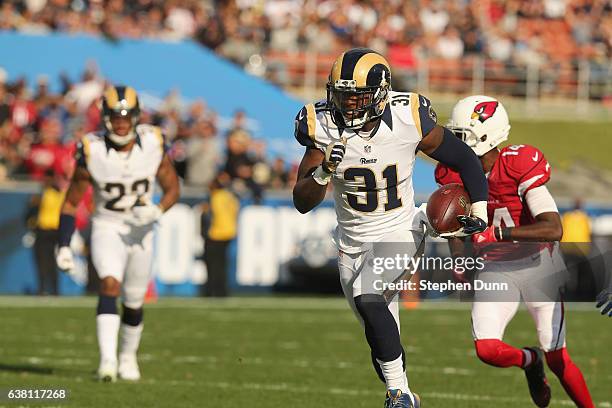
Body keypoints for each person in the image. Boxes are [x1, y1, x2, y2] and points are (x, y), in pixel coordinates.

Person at [292, 48, 489, 408]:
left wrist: (480, 206)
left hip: (401, 230)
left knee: (370, 299)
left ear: (381, 94)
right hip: (351, 243)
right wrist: (322, 173)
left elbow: (463, 157)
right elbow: (302, 202)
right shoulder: (319, 125)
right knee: (380, 339)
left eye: (359, 98)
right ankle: (405, 392)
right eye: (343, 97)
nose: (349, 107)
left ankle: (398, 395)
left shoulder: (407, 116)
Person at [435, 95, 593, 407]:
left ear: (486, 134)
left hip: (540, 265)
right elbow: (456, 226)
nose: (456, 144)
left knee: (557, 358)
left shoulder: (517, 164)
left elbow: (553, 228)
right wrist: (459, 263)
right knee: (487, 349)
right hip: (497, 268)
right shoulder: (453, 174)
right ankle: (528, 361)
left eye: (462, 135)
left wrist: (496, 233)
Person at [55, 85, 179, 382]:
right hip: (107, 225)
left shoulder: (154, 143)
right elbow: (71, 202)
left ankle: (127, 357)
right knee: (109, 284)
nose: (121, 122)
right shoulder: (92, 148)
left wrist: (158, 210)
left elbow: (173, 188)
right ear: (105, 117)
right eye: (115, 116)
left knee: (134, 300)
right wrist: (63, 245)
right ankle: (107, 361)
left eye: (126, 116)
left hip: (141, 230)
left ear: (136, 117)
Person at [201, 172, 239, 297]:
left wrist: (204, 232)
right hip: (228, 233)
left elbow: (207, 217)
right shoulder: (230, 196)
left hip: (215, 233)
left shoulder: (213, 197)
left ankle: (211, 290)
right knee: (222, 264)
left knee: (212, 264)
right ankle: (222, 291)